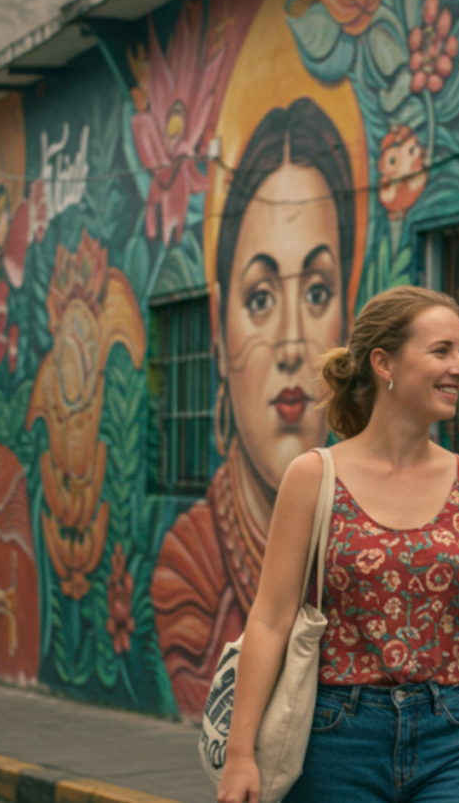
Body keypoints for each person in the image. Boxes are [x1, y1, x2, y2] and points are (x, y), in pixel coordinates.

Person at [217, 286, 459, 803]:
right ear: (384, 363)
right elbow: (269, 619)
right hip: (336, 738)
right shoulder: (314, 476)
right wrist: (241, 753)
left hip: (452, 731)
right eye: (442, 350)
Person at [152, 96, 359, 719]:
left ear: (348, 312)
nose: (294, 345)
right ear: (219, 327)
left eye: (318, 290)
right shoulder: (191, 576)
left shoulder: (370, 517)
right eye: (261, 297)